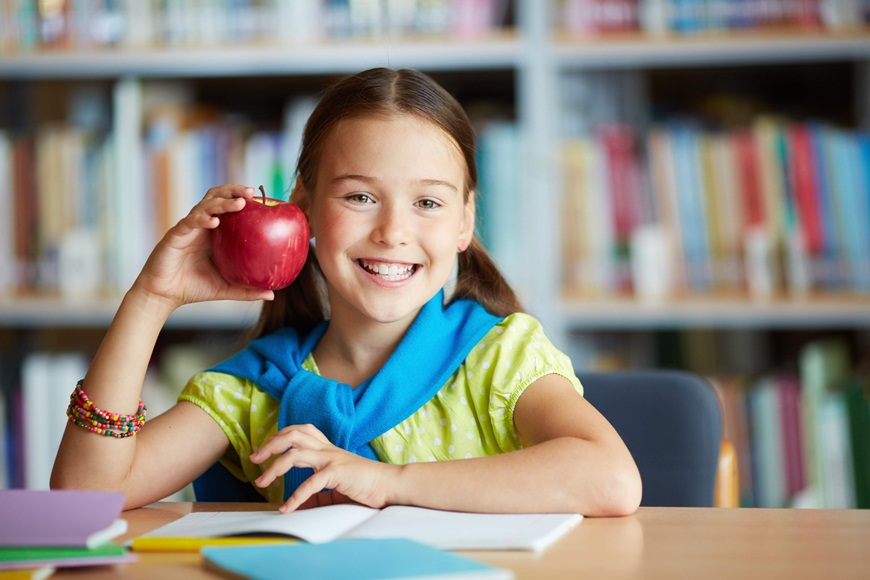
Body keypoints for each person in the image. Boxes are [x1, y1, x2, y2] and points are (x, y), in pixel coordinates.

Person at [52, 67, 641, 517]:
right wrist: (152, 298)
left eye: (428, 203)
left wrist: (387, 482)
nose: (392, 231)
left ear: (465, 223)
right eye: (360, 197)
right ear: (302, 209)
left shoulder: (500, 359)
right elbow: (85, 497)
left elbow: (611, 479)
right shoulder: (252, 388)